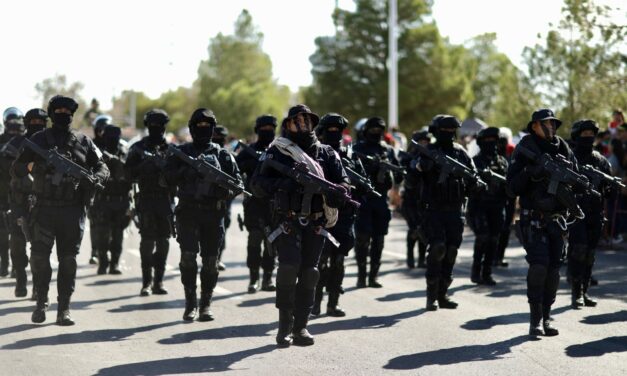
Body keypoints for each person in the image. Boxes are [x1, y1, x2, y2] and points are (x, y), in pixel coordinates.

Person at [251, 104, 349, 347]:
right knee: (287, 268)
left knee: (309, 273)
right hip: (288, 220)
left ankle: (301, 327)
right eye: (297, 121)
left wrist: (339, 192)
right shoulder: (278, 152)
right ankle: (284, 325)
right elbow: (257, 183)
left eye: (307, 120)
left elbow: (343, 182)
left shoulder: (327, 153)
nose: (302, 124)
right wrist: (284, 183)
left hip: (316, 221)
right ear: (288, 125)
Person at [12, 95, 109, 325]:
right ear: (52, 113)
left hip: (71, 211)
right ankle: (41, 302)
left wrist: (95, 178)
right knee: (39, 260)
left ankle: (63, 308)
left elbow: (102, 166)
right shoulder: (38, 140)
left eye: (67, 110)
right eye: (59, 110)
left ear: (72, 115)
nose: (63, 114)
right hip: (43, 209)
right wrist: (34, 165)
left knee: (68, 261)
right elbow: (16, 169)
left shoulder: (83, 142)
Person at [164, 109, 243, 322]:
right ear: (191, 128)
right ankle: (190, 303)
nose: (203, 129)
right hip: (188, 212)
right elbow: (166, 179)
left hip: (213, 214)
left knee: (210, 261)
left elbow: (238, 185)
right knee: (188, 258)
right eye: (199, 125)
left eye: (208, 125)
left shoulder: (223, 154)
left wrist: (221, 188)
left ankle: (206, 304)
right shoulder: (180, 153)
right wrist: (186, 172)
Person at [507, 108, 579, 337]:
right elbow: (512, 187)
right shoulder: (525, 149)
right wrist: (530, 172)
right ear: (534, 126)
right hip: (534, 219)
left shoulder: (563, 147)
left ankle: (547, 316)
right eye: (546, 123)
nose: (551, 127)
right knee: (539, 267)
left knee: (553, 271)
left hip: (557, 219)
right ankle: (535, 320)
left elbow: (575, 176)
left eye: (553, 123)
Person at [412, 115, 480, 311]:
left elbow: (472, 177)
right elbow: (412, 176)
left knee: (451, 252)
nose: (449, 134)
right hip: (433, 210)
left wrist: (472, 181)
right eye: (445, 130)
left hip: (455, 211)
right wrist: (422, 167)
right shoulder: (429, 152)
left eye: (452, 130)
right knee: (437, 249)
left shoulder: (461, 152)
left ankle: (443, 295)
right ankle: (431, 297)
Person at [312, 113, 360, 317]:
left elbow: (366, 184)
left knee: (338, 261)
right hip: (321, 215)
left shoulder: (350, 155)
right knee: (319, 261)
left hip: (344, 216)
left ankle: (333, 303)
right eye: (330, 129)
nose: (334, 133)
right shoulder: (316, 153)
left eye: (338, 130)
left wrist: (351, 182)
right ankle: (314, 302)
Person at [125, 109, 174, 296]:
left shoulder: (172, 150)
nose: (157, 129)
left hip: (165, 199)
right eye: (153, 126)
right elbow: (127, 174)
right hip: (145, 199)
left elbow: (180, 176)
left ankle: (159, 282)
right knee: (147, 242)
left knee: (163, 241)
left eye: (160, 126)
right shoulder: (137, 148)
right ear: (147, 126)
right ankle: (147, 282)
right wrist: (143, 167)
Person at [2, 108, 48, 298]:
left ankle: (38, 286)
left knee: (40, 247)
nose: (37, 124)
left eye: (41, 121)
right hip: (18, 202)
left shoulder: (51, 142)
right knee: (17, 244)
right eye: (33, 121)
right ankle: (21, 278)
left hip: (43, 201)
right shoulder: (14, 144)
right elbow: (4, 169)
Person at [352, 117, 402, 288]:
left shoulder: (387, 150)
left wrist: (389, 169)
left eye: (378, 130)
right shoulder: (357, 149)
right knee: (362, 239)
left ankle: (373, 276)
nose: (375, 133)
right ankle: (361, 275)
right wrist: (369, 167)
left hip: (381, 199)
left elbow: (399, 173)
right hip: (363, 199)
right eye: (372, 129)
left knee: (379, 240)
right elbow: (349, 170)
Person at [568, 119, 611, 309]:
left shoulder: (600, 160)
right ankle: (576, 293)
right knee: (578, 251)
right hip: (576, 213)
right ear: (577, 136)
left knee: (590, 254)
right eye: (584, 134)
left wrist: (609, 187)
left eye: (591, 134)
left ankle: (585, 291)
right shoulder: (570, 158)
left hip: (595, 213)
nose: (588, 138)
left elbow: (609, 188)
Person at [235, 115, 278, 293]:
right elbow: (235, 172)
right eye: (264, 128)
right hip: (253, 203)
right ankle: (253, 279)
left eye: (270, 128)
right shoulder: (248, 151)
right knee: (254, 241)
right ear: (257, 130)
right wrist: (250, 163)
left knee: (272, 243)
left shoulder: (279, 151)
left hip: (274, 204)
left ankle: (267, 278)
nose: (267, 131)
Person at [467, 127, 508, 285]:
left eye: (493, 140)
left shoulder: (502, 162)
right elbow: (469, 185)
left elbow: (510, 184)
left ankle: (487, 272)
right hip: (479, 206)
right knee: (483, 238)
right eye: (487, 141)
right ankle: (476, 271)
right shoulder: (475, 162)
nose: (491, 143)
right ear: (481, 143)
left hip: (497, 206)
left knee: (493, 240)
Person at [91, 125, 132, 275]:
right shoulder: (98, 153)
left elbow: (130, 174)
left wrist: (117, 162)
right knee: (102, 234)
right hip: (103, 200)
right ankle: (103, 263)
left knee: (117, 235)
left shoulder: (125, 152)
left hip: (120, 200)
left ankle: (114, 263)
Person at [0, 107, 24, 278]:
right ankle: (4, 264)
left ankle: (18, 266)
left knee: (20, 235)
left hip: (21, 193)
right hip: (2, 193)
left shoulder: (26, 141)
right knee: (2, 234)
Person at [401, 130, 430, 269]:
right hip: (410, 199)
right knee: (413, 229)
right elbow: (404, 177)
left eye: (426, 142)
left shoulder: (429, 157)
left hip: (425, 199)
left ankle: (421, 259)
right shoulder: (408, 157)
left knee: (424, 229)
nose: (424, 144)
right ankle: (410, 257)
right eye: (421, 142)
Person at [88, 114, 114, 265]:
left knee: (110, 225)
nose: (103, 132)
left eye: (106, 129)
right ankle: (94, 251)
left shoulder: (116, 145)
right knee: (95, 223)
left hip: (112, 191)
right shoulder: (91, 145)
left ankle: (107, 252)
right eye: (100, 129)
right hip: (96, 191)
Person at [212, 125, 231, 271]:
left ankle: (217, 258)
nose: (219, 141)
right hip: (206, 199)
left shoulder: (228, 156)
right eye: (216, 138)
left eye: (221, 138)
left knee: (221, 231)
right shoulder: (207, 155)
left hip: (224, 202)